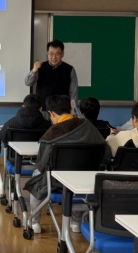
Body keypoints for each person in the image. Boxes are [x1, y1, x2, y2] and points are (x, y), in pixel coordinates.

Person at [23, 95, 111, 234]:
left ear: (51, 113)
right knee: (78, 183)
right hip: (86, 182)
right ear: (71, 110)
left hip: (56, 183)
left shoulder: (50, 135)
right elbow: (106, 153)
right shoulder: (88, 126)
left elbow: (41, 165)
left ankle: (35, 222)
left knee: (36, 175)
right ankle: (75, 222)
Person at [25, 40, 78, 111]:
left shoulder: (70, 69)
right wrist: (34, 71)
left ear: (62, 54)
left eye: (57, 54)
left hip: (62, 110)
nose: (54, 57)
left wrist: (73, 109)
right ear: (47, 53)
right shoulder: (40, 67)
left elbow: (73, 93)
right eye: (51, 54)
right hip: (43, 108)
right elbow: (28, 83)